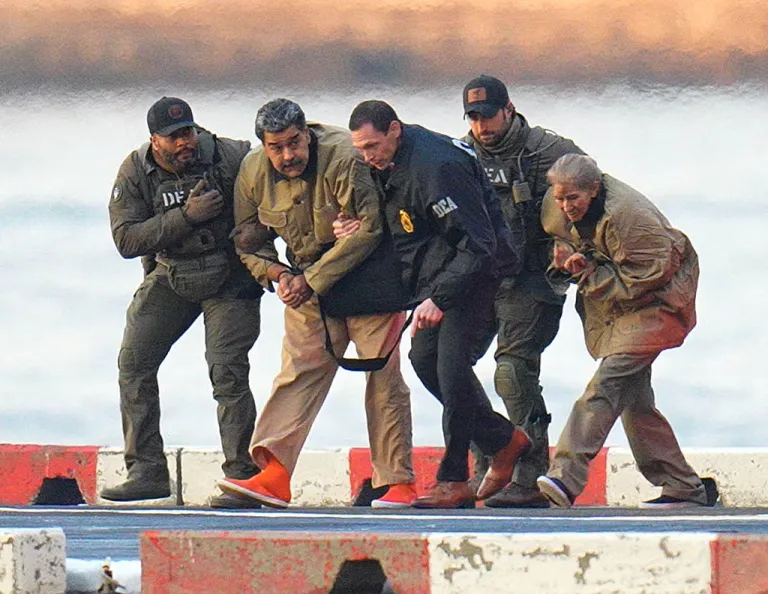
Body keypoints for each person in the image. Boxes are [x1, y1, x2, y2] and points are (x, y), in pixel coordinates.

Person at [216, 98, 416, 509]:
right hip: (305, 279)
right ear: (264, 146)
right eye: (277, 147)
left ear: (307, 134)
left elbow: (370, 229)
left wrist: (312, 280)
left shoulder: (344, 156)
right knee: (298, 370)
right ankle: (273, 473)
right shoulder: (252, 172)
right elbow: (247, 239)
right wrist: (279, 276)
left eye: (295, 142)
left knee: (383, 375)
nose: (288, 155)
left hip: (370, 276)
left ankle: (397, 480)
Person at [343, 99, 530, 509]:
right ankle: (503, 438)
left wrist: (440, 298)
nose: (367, 156)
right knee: (425, 361)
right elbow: (405, 223)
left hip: (477, 272)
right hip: (436, 276)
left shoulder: (437, 166)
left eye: (372, 146)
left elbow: (478, 245)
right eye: (360, 149)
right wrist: (358, 226)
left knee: (452, 369)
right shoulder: (382, 164)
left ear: (394, 129)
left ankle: (454, 478)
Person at [104, 97, 263, 509]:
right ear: (154, 140)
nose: (184, 142)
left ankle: (241, 475)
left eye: (188, 132)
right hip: (173, 272)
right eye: (173, 137)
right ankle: (147, 471)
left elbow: (275, 199)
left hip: (230, 276)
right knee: (133, 363)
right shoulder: (136, 170)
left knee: (227, 371)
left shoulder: (232, 156)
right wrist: (186, 218)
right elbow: (126, 239)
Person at [536, 153, 717, 509]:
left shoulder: (631, 218)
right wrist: (571, 256)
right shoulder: (556, 204)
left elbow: (645, 279)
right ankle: (683, 485)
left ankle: (565, 475)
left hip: (660, 299)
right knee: (634, 399)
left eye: (573, 199)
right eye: (560, 198)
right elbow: (561, 239)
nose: (566, 206)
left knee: (608, 382)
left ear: (594, 189)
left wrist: (588, 271)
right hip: (620, 302)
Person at [462, 75, 587, 508]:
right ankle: (487, 459)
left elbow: (591, 195)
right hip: (482, 280)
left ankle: (530, 473)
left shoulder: (548, 153)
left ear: (509, 110)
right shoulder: (462, 155)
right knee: (449, 366)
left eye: (489, 115)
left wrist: (568, 241)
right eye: (474, 117)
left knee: (512, 372)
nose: (482, 126)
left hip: (533, 279)